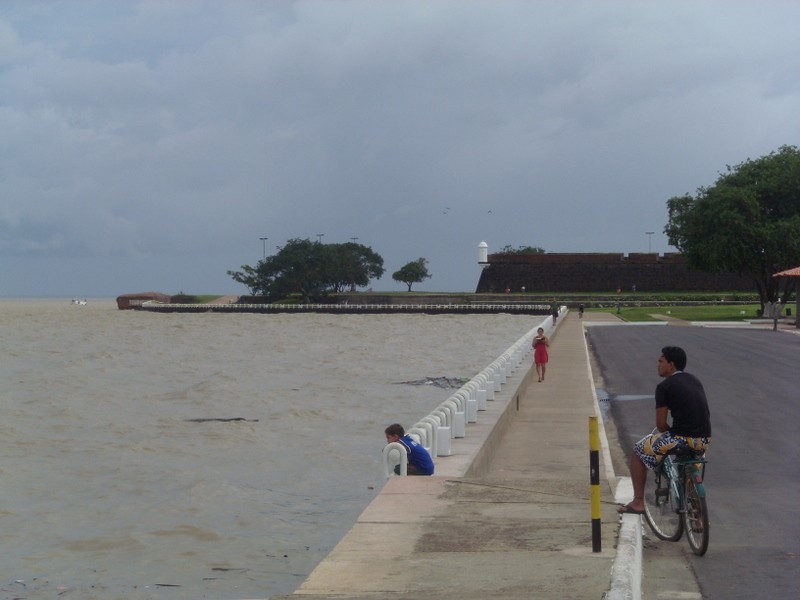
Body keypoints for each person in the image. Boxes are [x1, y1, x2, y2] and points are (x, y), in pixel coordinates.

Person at [618, 346, 712, 515]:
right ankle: (698, 517)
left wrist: (670, 436)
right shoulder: (695, 380)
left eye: (661, 361)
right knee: (690, 466)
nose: (657, 364)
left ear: (671, 365)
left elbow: (661, 424)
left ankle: (638, 502)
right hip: (704, 439)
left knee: (639, 451)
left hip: (681, 438)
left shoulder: (665, 386)